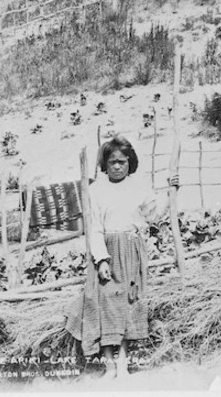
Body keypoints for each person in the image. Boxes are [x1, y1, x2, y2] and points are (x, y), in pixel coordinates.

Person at [65, 135, 178, 379]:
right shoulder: (96, 190)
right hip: (106, 251)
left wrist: (171, 192)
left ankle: (124, 360)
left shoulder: (138, 187)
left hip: (132, 250)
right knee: (104, 303)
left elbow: (154, 214)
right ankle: (108, 363)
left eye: (123, 162)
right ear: (105, 164)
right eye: (113, 162)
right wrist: (102, 259)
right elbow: (94, 227)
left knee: (129, 303)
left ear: (130, 163)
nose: (117, 166)